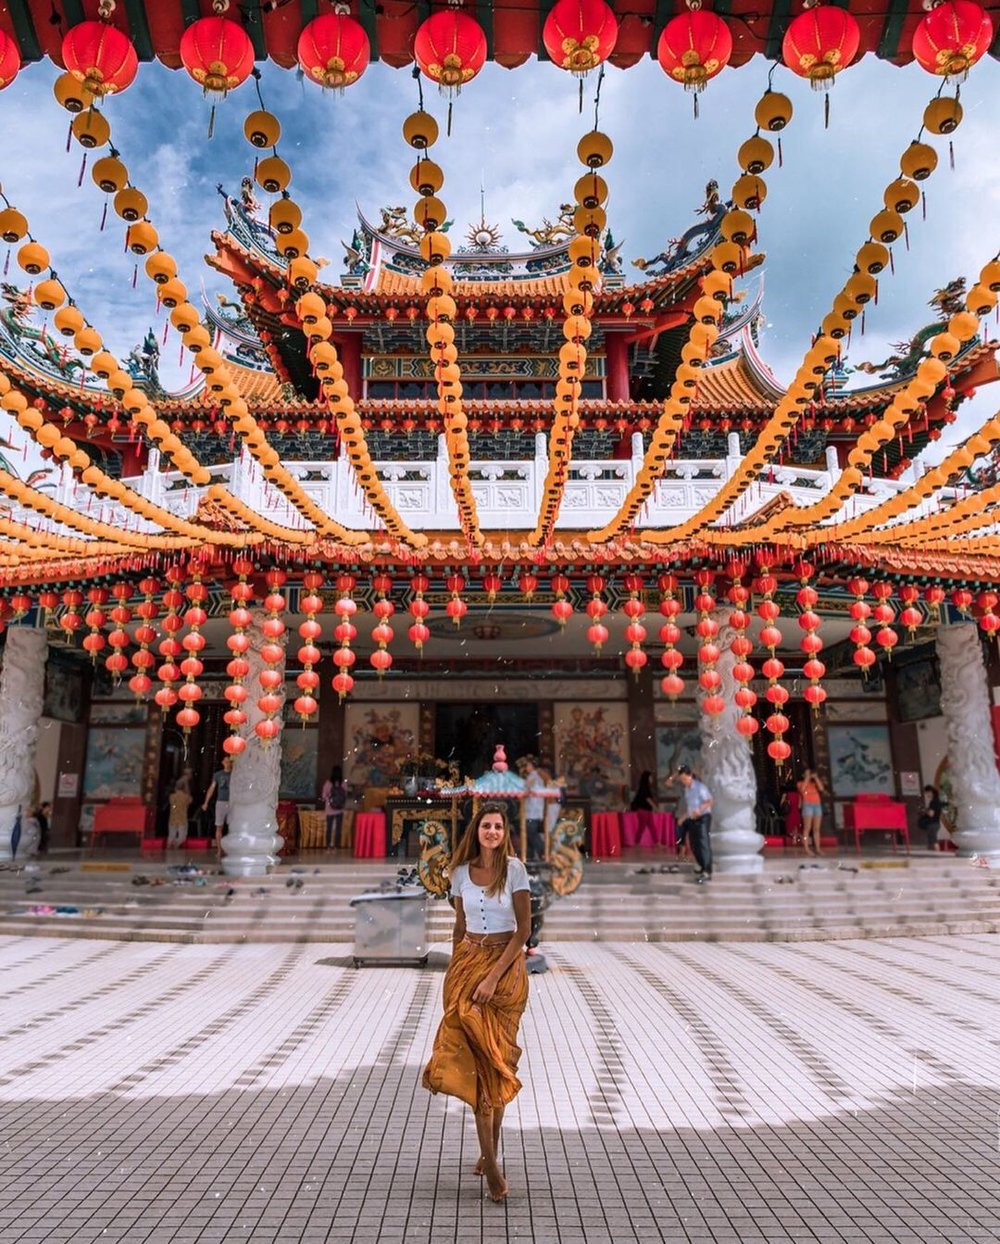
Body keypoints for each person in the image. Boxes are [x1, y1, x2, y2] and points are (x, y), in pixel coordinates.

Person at [423, 804, 531, 1204]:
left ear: (505, 832)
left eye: (498, 826)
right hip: (468, 967)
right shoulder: (459, 873)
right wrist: (457, 974)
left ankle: (489, 1154)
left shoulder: (515, 870)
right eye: (486, 825)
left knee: (497, 1062)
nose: (492, 832)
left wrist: (492, 977)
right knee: (480, 1066)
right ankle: (492, 1166)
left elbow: (523, 930)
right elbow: (459, 928)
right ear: (477, 830)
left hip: (505, 972)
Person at [675, 766, 714, 883]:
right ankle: (701, 865)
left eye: (685, 779)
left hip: (703, 817)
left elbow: (710, 801)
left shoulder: (700, 787)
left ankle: (707, 870)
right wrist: (683, 817)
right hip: (692, 818)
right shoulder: (687, 790)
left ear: (690, 776)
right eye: (681, 779)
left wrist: (700, 809)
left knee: (703, 843)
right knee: (693, 844)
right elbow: (690, 808)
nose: (683, 781)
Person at [202, 756, 233, 856]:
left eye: (229, 762)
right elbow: (212, 788)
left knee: (232, 827)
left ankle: (230, 849)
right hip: (220, 802)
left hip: (232, 803)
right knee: (219, 826)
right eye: (226, 761)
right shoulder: (218, 775)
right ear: (223, 763)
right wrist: (206, 802)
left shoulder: (235, 775)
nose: (227, 763)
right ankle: (219, 850)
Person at [796, 768, 827, 855]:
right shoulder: (800, 783)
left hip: (817, 805)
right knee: (807, 828)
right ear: (803, 775)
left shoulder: (814, 783)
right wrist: (807, 777)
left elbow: (821, 789)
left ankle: (818, 848)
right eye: (807, 773)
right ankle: (806, 848)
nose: (809, 775)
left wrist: (816, 778)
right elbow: (802, 789)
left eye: (810, 773)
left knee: (816, 828)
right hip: (807, 805)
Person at [522, 757, 546, 861]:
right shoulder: (534, 777)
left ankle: (542, 852)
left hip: (533, 810)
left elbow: (531, 792)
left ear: (532, 766)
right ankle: (530, 855)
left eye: (528, 765)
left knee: (532, 832)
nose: (526, 767)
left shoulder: (534, 778)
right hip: (532, 810)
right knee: (529, 833)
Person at [321, 765, 347, 849]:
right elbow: (345, 796)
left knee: (329, 827)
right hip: (340, 809)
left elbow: (323, 796)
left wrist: (328, 799)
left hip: (329, 809)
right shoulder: (343, 783)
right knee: (338, 828)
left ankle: (328, 845)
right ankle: (336, 845)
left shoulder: (328, 783)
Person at [167, 779, 192, 849]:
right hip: (182, 819)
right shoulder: (186, 797)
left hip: (172, 819)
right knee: (182, 837)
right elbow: (190, 800)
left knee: (171, 835)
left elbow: (173, 804)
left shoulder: (172, 796)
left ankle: (169, 845)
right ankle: (175, 844)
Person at [918, 784, 943, 851]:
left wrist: (924, 810)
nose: (926, 795)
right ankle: (934, 853)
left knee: (933, 841)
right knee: (932, 841)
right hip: (936, 823)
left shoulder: (933, 802)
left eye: (927, 793)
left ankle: (938, 854)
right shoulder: (938, 801)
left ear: (931, 792)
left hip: (932, 824)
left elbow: (931, 814)